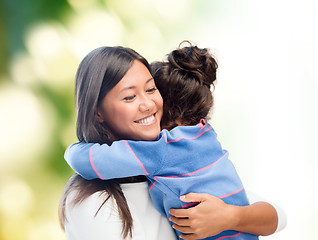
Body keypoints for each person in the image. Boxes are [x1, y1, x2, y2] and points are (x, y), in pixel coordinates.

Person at [58, 45, 285, 240]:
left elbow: (278, 215)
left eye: (150, 89)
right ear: (98, 112)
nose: (147, 104)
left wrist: (229, 216)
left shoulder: (166, 156)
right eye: (129, 96)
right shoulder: (93, 200)